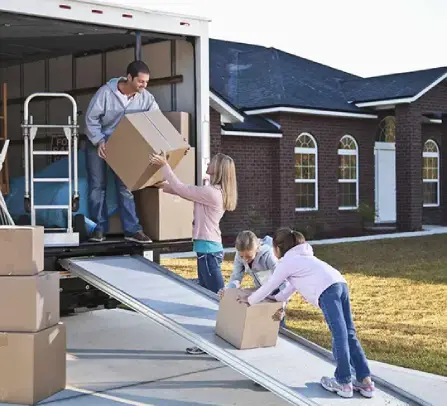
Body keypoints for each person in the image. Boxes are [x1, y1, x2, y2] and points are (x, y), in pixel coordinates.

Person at [237, 227, 375, 399]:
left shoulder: (287, 262)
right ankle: (365, 381)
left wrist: (250, 300)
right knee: (349, 333)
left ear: (278, 248)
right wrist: (277, 300)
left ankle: (344, 382)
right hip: (340, 283)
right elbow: (289, 289)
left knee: (339, 335)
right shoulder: (304, 258)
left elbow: (269, 286)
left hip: (328, 291)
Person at [148, 151, 238, 355]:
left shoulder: (212, 193)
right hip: (208, 250)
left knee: (216, 300)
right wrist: (162, 186)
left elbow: (183, 188)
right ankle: (211, 344)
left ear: (218, 169)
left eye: (212, 162)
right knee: (211, 299)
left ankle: (221, 344)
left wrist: (164, 165)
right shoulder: (212, 191)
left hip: (208, 251)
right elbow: (183, 191)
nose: (208, 163)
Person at [85, 60, 159, 243]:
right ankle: (98, 229)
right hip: (99, 143)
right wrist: (99, 141)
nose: (144, 85)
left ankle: (132, 230)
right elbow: (90, 119)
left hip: (124, 146)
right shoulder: (105, 93)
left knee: (126, 187)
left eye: (147, 82)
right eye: (141, 81)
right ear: (129, 78)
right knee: (97, 187)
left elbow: (155, 120)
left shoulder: (146, 98)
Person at [219, 230, 289, 328]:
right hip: (261, 291)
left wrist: (282, 307)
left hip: (278, 293)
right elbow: (236, 277)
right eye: (242, 256)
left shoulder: (269, 255)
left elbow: (284, 283)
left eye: (248, 256)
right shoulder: (239, 256)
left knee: (277, 324)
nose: (245, 260)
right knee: (261, 325)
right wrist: (228, 290)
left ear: (257, 248)